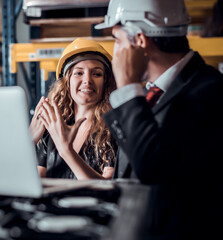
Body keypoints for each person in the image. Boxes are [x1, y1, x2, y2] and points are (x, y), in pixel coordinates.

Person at [94, 0, 223, 239]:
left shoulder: (210, 92)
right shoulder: (150, 95)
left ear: (140, 41)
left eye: (117, 40)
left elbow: (152, 165)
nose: (115, 52)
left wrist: (129, 86)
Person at [29, 38, 117, 180]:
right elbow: (36, 182)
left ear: (106, 82)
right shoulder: (52, 130)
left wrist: (66, 151)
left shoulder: (114, 130)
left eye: (97, 74)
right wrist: (29, 141)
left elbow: (107, 186)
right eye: (78, 73)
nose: (87, 80)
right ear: (66, 82)